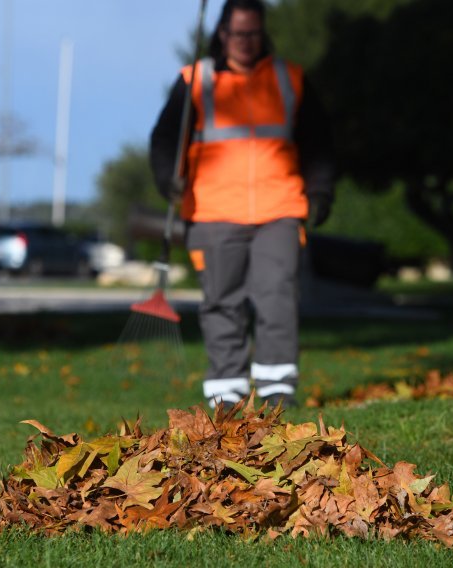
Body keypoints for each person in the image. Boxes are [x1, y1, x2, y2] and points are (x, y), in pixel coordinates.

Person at [150, 0, 334, 409]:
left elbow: (318, 144)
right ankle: (226, 395)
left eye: (252, 33)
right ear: (222, 34)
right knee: (222, 302)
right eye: (237, 34)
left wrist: (320, 192)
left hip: (279, 207)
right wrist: (168, 180)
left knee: (278, 298)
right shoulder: (195, 79)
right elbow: (165, 140)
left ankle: (277, 392)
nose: (245, 42)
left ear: (262, 32)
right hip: (212, 209)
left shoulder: (290, 79)